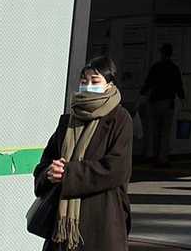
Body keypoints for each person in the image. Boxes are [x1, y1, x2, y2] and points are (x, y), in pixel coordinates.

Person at [35, 55, 133, 251]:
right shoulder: (67, 121)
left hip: (102, 221)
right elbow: (45, 164)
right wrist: (49, 173)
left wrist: (68, 173)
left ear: (109, 84)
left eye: (95, 81)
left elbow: (117, 169)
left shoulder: (119, 119)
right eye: (83, 81)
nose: (88, 86)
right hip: (62, 230)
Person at [139, 43, 185, 168]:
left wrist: (141, 96)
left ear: (162, 53)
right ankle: (163, 158)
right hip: (168, 103)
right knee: (165, 132)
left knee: (155, 130)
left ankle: (154, 155)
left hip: (155, 102)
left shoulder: (156, 67)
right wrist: (183, 99)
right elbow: (178, 86)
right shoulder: (174, 68)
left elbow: (148, 83)